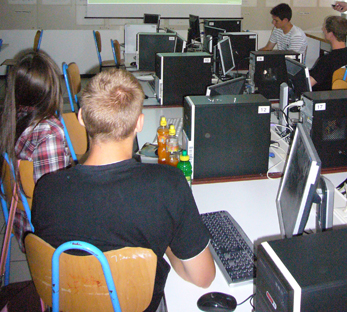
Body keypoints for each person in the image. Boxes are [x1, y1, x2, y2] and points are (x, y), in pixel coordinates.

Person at [32, 68, 215, 312]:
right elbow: (203, 278)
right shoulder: (168, 185)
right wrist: (168, 242)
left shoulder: (46, 189)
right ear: (140, 123)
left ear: (81, 118)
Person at [0, 49, 71, 251]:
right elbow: (54, 202)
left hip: (21, 223)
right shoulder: (49, 132)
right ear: (52, 90)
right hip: (46, 237)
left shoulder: (10, 118)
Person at [309, 16, 347, 91]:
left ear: (331, 34)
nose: (323, 30)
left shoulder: (327, 60)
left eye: (325, 28)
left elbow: (308, 84)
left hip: (321, 94)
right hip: (337, 94)